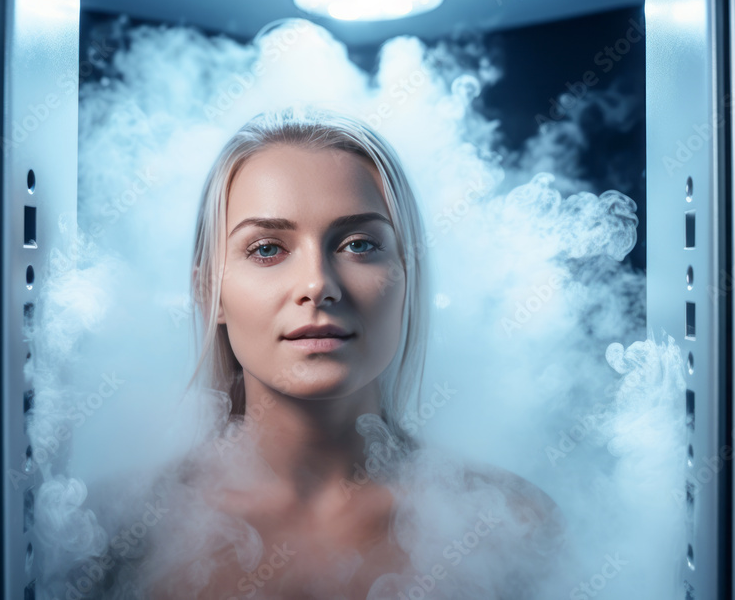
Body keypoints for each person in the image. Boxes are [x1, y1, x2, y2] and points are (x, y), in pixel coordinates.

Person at [81, 106, 566, 599]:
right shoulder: (117, 531)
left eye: (359, 245)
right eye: (267, 249)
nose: (317, 284)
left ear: (407, 279)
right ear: (211, 293)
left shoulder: (512, 526)